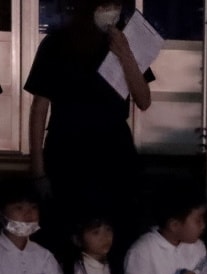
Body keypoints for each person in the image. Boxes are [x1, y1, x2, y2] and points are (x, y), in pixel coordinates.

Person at [25, 0, 155, 251]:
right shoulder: (57, 43)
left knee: (115, 227)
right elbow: (40, 106)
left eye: (115, 5)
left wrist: (125, 54)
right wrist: (38, 166)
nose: (111, 12)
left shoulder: (126, 41)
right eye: (105, 5)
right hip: (68, 147)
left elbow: (143, 100)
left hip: (114, 149)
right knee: (68, 228)